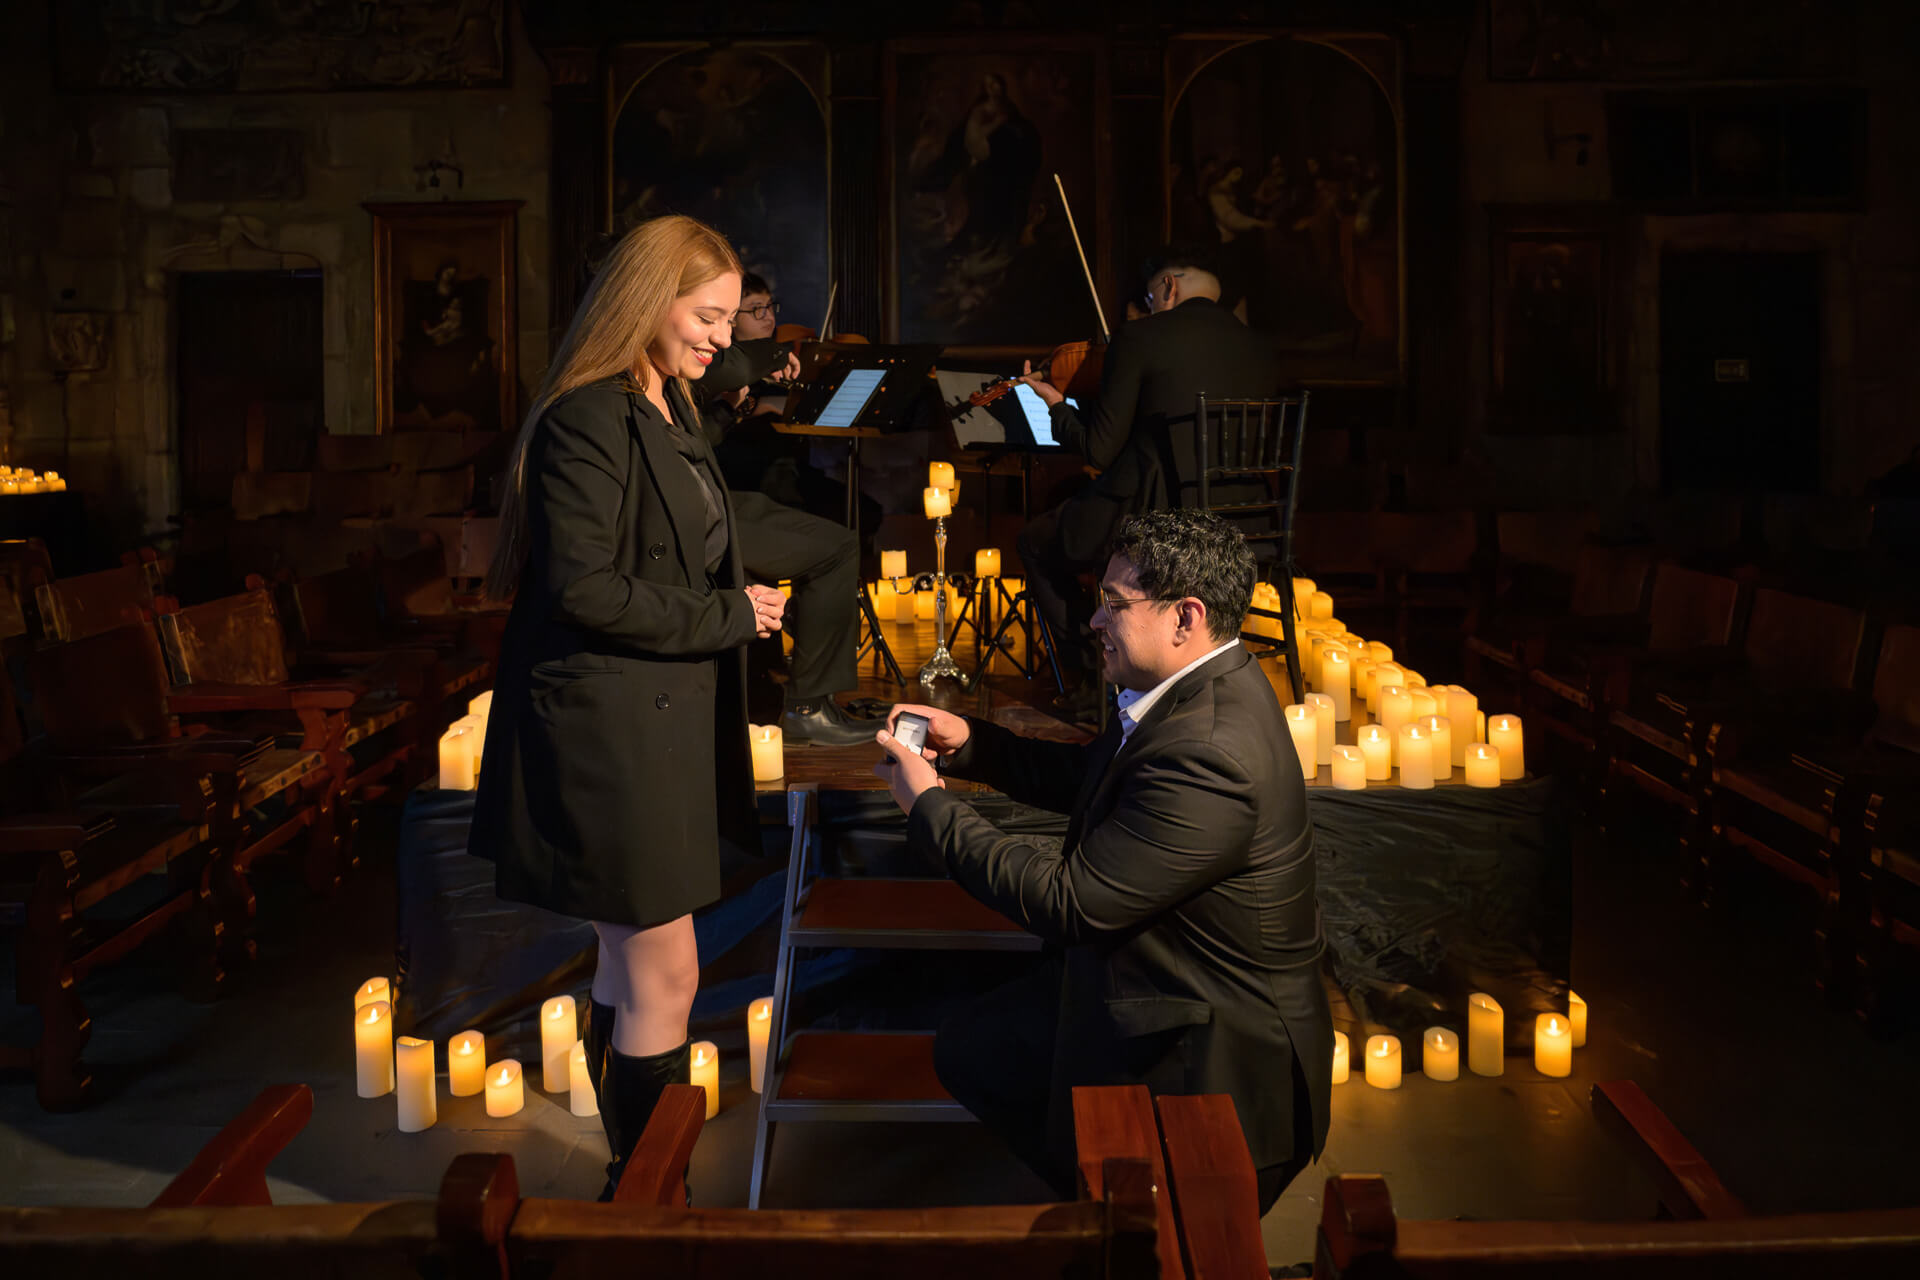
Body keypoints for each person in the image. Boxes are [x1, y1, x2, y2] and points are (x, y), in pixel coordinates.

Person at [872, 508, 1333, 1213]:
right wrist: (974, 747)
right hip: (1157, 980)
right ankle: (1102, 1205)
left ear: (1185, 618)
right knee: (972, 1047)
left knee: (1113, 1189)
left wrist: (929, 807)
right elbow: (1094, 775)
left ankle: (1119, 1217)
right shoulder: (1195, 689)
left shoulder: (1210, 750)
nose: (1093, 620)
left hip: (1214, 1056)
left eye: (1114, 604)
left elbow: (1071, 903)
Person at [470, 214, 788, 1199]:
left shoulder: (667, 403)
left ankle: (633, 1185)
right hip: (604, 728)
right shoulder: (589, 417)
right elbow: (584, 589)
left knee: (629, 963)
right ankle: (653, 1196)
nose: (725, 336)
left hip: (653, 717)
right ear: (649, 299)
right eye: (709, 315)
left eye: (730, 318)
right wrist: (728, 613)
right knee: (667, 971)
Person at [1016, 243, 1278, 714]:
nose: (1151, 306)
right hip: (1248, 524)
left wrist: (1056, 405)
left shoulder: (1141, 338)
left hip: (1158, 522)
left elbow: (1099, 449)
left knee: (1036, 542)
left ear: (1168, 286)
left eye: (1151, 297)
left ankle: (1093, 677)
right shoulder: (1259, 345)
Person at [693, 270, 872, 746]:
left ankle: (812, 689)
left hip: (719, 499)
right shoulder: (701, 364)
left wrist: (733, 404)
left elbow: (699, 436)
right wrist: (747, 389)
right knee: (834, 547)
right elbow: (702, 442)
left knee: (842, 535)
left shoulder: (709, 367)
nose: (720, 334)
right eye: (719, 317)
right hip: (704, 507)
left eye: (767, 308)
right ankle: (808, 706)